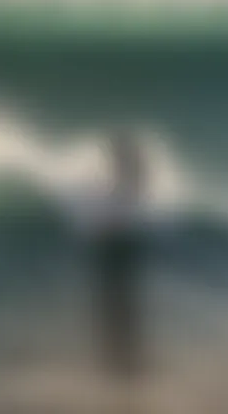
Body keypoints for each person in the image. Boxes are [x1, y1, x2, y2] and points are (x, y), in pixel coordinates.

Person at [90, 130, 146, 381]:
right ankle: (121, 362)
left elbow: (120, 217)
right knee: (117, 308)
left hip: (120, 251)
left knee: (119, 307)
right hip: (120, 251)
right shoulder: (122, 187)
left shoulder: (127, 186)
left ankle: (122, 364)